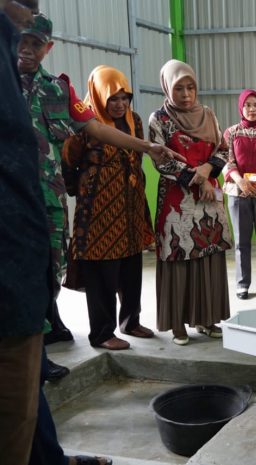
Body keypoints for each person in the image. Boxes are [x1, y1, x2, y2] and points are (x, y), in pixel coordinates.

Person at [17, 13, 179, 348]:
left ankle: (47, 339)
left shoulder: (59, 90)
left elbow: (94, 128)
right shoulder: (6, 82)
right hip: (51, 204)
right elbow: (72, 158)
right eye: (22, 40)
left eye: (36, 43)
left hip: (56, 202)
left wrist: (148, 147)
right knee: (27, 273)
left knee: (50, 268)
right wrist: (85, 189)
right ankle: (70, 337)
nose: (27, 50)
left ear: (48, 48)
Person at [61, 65, 157, 351]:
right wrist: (78, 188)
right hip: (99, 207)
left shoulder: (135, 121)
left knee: (131, 264)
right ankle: (102, 333)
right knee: (102, 269)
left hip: (130, 204)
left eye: (124, 97)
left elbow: (137, 158)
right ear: (100, 96)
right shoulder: (84, 124)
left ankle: (131, 320)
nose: (120, 104)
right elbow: (69, 159)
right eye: (113, 98)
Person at [149, 59, 232, 346]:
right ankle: (177, 324)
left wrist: (208, 171)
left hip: (208, 199)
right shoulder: (158, 119)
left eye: (190, 87)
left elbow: (223, 149)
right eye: (179, 88)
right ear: (167, 88)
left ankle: (207, 318)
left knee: (208, 255)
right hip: (177, 199)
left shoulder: (208, 114)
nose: (186, 94)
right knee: (179, 256)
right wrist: (198, 178)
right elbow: (162, 161)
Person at [0, 2, 50, 463]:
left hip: (21, 267)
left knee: (27, 405)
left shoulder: (51, 87)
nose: (26, 20)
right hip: (11, 273)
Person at [222, 89, 256, 300]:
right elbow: (226, 161)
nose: (252, 109)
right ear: (241, 107)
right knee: (242, 241)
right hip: (238, 194)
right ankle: (243, 284)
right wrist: (239, 180)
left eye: (255, 105)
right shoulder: (231, 132)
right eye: (247, 105)